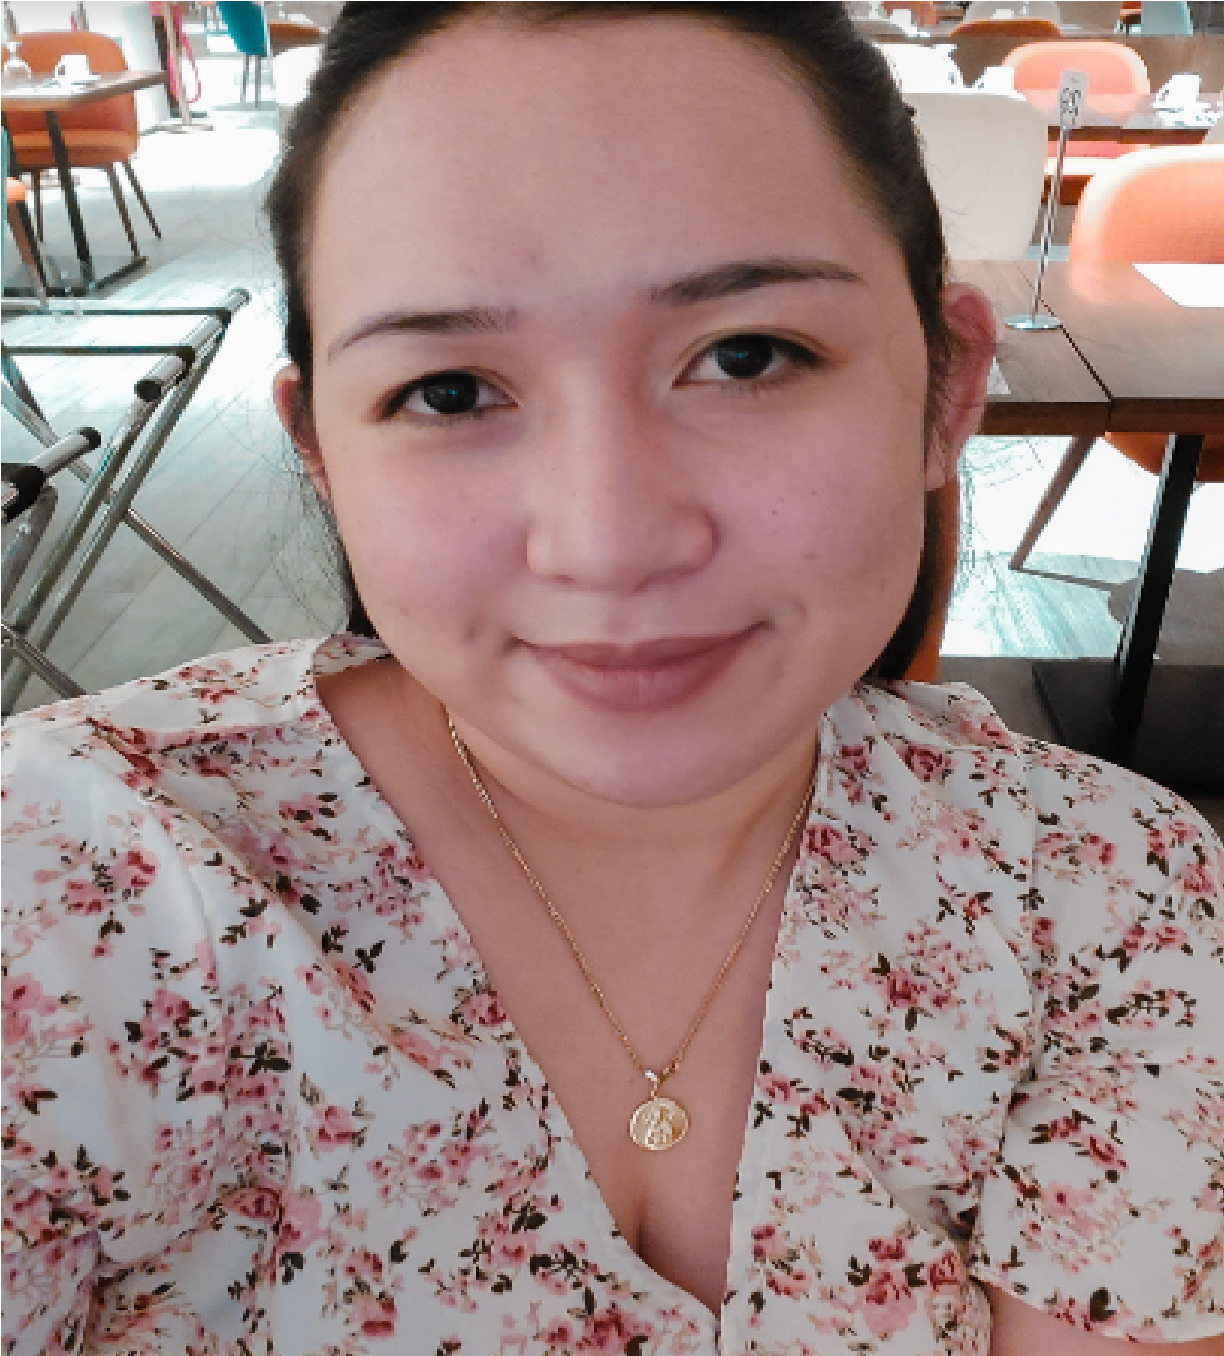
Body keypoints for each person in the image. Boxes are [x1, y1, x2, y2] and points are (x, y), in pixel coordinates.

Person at [3, 4, 1222, 1353]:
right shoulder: (72, 883)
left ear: (945, 390)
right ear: (323, 457)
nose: (608, 541)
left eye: (748, 356)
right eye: (451, 391)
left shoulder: (1106, 899)